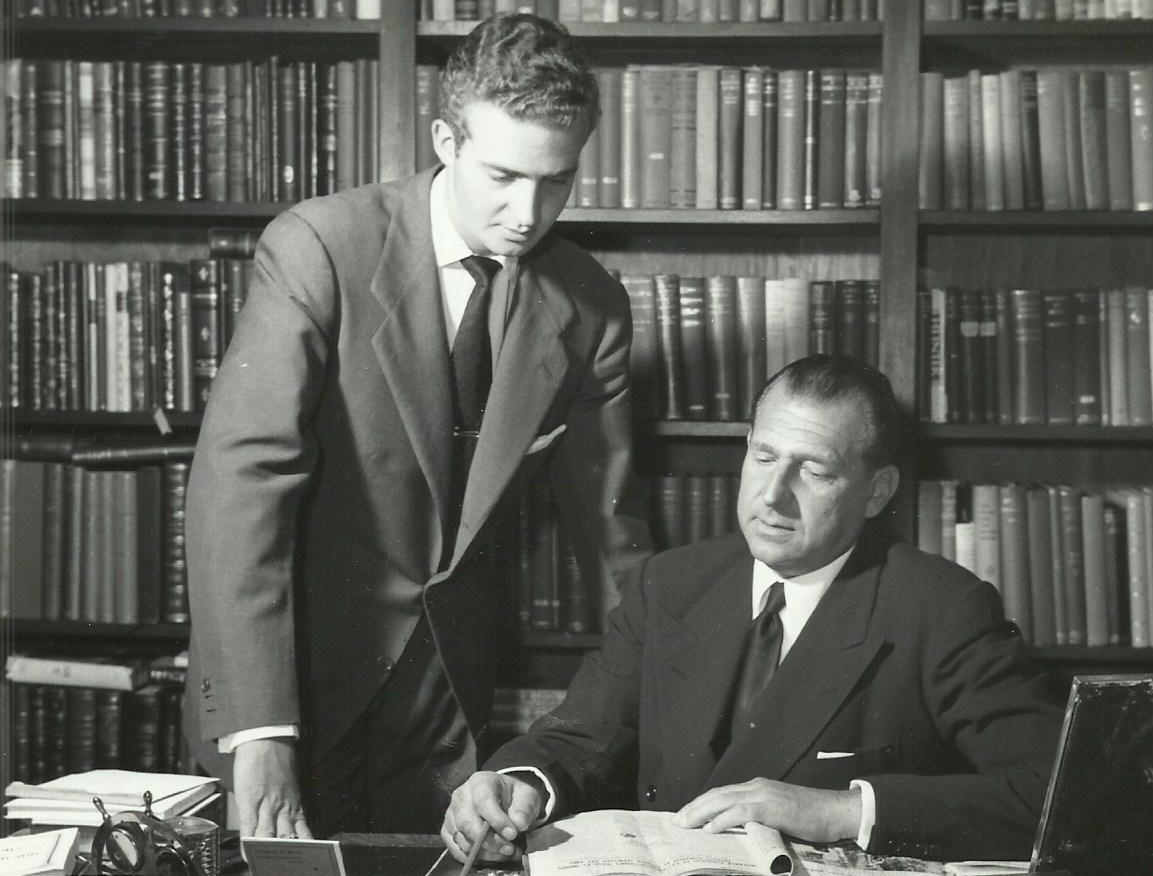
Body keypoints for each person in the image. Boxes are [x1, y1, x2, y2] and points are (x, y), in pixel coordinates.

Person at [182, 13, 651, 840]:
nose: (528, 212)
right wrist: (259, 730)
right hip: (291, 686)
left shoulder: (592, 305)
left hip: (445, 714)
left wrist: (676, 693)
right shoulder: (320, 247)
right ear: (445, 140)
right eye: (503, 175)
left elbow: (613, 537)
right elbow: (241, 489)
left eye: (557, 181)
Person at [442, 355, 1063, 863]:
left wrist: (840, 810)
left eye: (813, 471)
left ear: (877, 492)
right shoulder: (672, 582)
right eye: (763, 457)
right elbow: (580, 737)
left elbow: (1053, 795)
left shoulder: (941, 608)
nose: (772, 496)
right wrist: (517, 784)